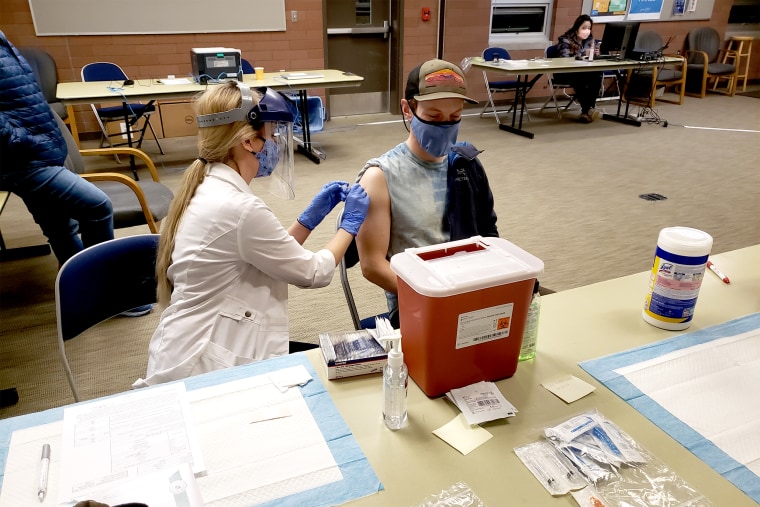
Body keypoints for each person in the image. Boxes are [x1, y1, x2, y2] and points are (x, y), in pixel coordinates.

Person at [135, 81, 369, 386]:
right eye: (272, 134)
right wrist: (348, 226)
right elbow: (312, 272)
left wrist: (308, 221)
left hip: (198, 342)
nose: (275, 144)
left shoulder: (208, 184)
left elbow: (265, 254)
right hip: (205, 365)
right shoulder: (239, 207)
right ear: (248, 141)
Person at [355, 59, 498, 326]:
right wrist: (435, 294)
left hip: (470, 293)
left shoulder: (466, 164)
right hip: (416, 304)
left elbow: (489, 234)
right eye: (433, 117)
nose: (445, 126)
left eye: (455, 118)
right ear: (407, 109)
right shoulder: (380, 176)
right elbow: (372, 266)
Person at [0, 31, 114, 266]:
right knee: (97, 206)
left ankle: (82, 290)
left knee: (60, 228)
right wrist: (28, 142)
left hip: (39, 151)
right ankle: (104, 285)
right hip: (24, 159)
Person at [557, 14, 603, 123]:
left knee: (596, 75)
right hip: (565, 72)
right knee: (582, 79)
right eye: (584, 28)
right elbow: (564, 60)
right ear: (576, 28)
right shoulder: (565, 40)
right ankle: (587, 110)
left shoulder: (590, 40)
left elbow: (588, 60)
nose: (587, 31)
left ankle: (587, 110)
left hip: (583, 72)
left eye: (589, 28)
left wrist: (595, 54)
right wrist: (583, 54)